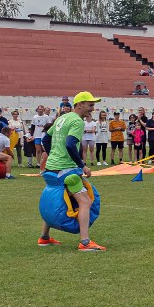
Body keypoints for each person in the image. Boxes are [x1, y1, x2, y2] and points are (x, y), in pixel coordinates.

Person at [40, 91, 105, 250]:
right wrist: (82, 165)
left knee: (54, 198)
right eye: (90, 105)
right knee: (85, 201)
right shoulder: (77, 121)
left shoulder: (62, 117)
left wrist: (53, 155)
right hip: (66, 170)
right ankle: (85, 242)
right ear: (79, 104)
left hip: (52, 169)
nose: (92, 108)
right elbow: (70, 144)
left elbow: (45, 139)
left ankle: (44, 237)